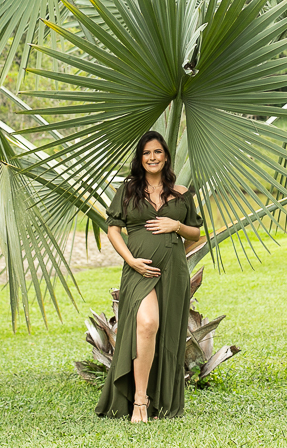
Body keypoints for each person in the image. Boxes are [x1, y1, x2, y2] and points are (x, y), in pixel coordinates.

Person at [95, 130, 203, 423]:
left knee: (165, 333)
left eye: (157, 152)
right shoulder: (128, 190)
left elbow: (196, 233)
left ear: (166, 156)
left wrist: (175, 227)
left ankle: (156, 403)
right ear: (140, 159)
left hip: (174, 272)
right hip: (139, 270)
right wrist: (131, 260)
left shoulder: (181, 193)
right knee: (147, 323)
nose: (152, 158)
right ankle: (139, 401)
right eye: (146, 153)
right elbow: (114, 228)